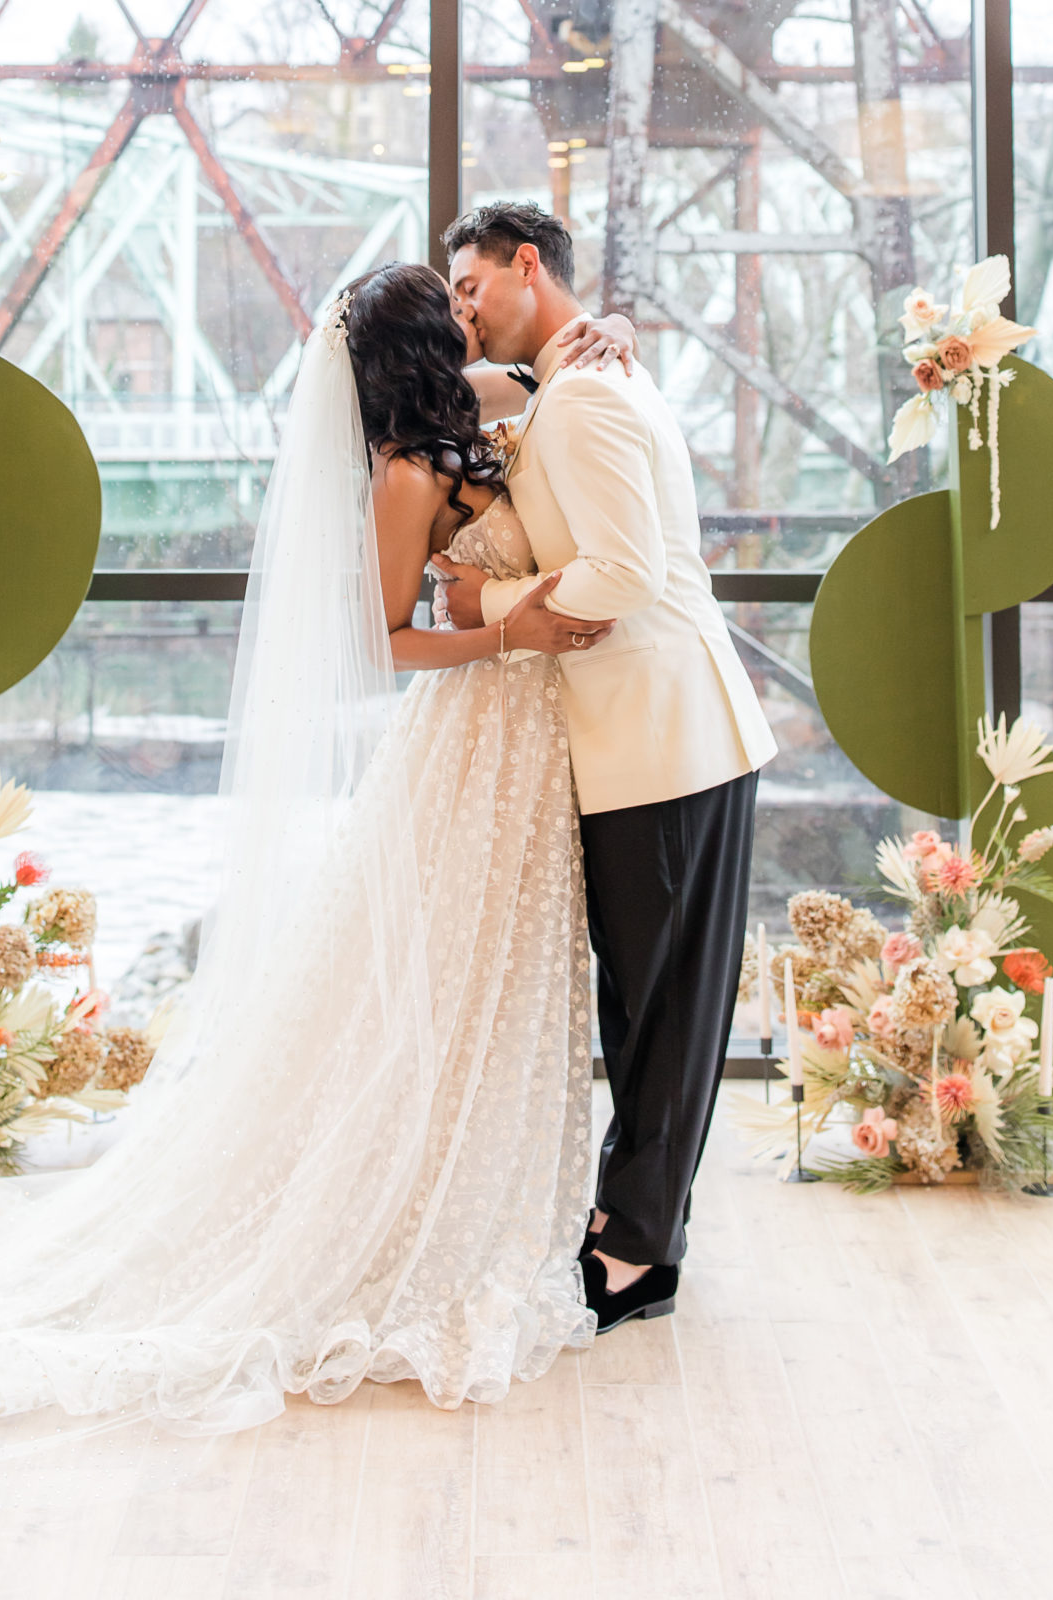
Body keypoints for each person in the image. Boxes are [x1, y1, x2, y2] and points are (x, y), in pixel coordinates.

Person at [0, 265, 634, 1455]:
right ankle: (389, 1214)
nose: (478, 324)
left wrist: (599, 334)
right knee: (421, 988)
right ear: (424, 344)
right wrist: (504, 628)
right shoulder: (405, 474)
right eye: (456, 313)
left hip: (523, 748)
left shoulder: (470, 413)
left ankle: (476, 1200)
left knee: (494, 985)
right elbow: (381, 639)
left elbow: (550, 374)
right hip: (472, 731)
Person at [435, 201, 777, 1334]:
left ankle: (634, 1248)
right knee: (647, 1004)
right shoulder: (571, 382)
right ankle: (638, 1233)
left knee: (666, 1011)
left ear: (528, 266)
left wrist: (485, 604)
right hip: (652, 739)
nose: (463, 309)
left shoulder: (581, 391)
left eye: (473, 286)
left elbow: (624, 574)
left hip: (667, 738)